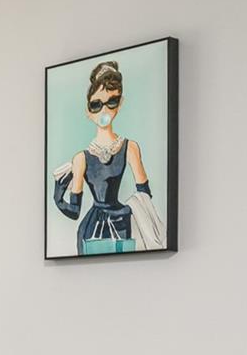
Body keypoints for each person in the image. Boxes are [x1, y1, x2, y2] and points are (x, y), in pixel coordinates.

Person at [51, 60, 164, 254]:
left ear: (120, 104)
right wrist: (58, 196)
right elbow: (74, 212)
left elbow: (144, 194)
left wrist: (130, 209)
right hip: (91, 227)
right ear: (88, 111)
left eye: (111, 102)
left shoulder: (130, 148)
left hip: (121, 221)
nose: (104, 110)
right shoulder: (81, 158)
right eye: (96, 105)